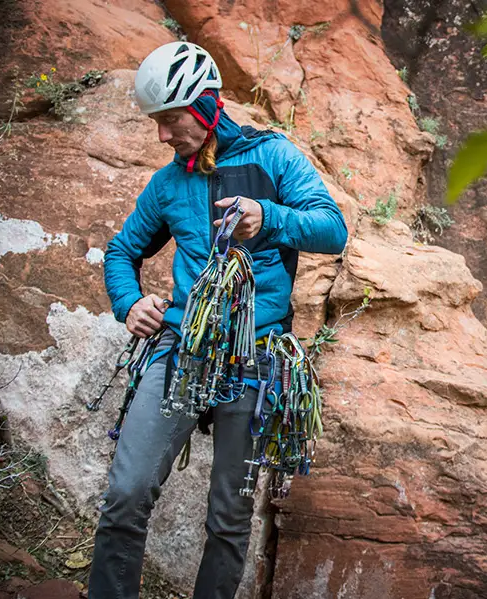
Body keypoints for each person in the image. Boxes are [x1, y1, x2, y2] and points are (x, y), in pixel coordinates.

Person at [90, 41, 348, 599]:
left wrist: (270, 217)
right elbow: (121, 251)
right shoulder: (167, 184)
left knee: (229, 520)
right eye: (156, 123)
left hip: (256, 356)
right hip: (182, 349)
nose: (162, 135)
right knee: (127, 493)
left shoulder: (273, 156)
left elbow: (333, 228)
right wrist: (129, 302)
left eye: (170, 120)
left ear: (206, 106)